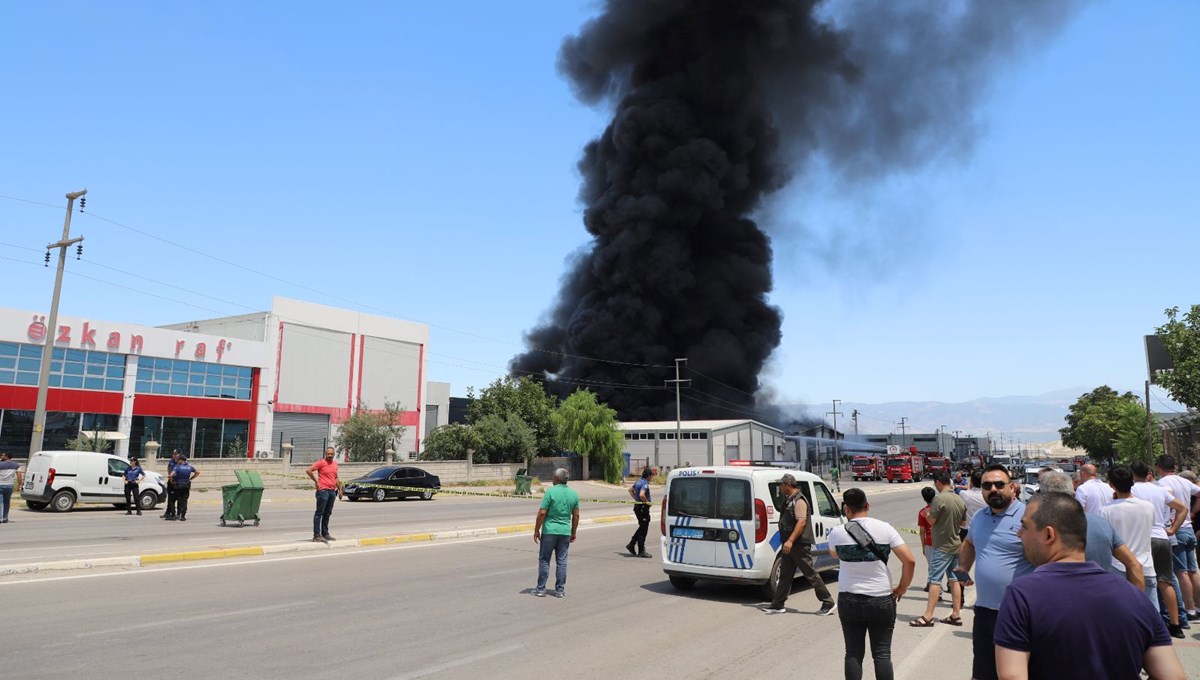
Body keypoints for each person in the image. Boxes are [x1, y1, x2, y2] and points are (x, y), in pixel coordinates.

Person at [994, 492, 1186, 680]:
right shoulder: (1134, 596)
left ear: (1048, 534)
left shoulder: (1022, 595)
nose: (1019, 534)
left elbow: (1012, 675)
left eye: (1025, 526)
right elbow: (1174, 676)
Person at [956, 464, 1034, 680]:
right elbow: (969, 543)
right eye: (987, 485)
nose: (993, 489)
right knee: (982, 672)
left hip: (1019, 612)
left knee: (1016, 675)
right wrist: (963, 568)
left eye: (999, 484)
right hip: (985, 611)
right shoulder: (980, 516)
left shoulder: (1028, 517)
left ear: (1011, 487)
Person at [828, 488, 916, 680]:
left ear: (846, 509)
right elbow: (909, 561)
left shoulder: (836, 532)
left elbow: (834, 555)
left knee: (853, 653)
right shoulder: (885, 528)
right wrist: (902, 587)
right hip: (881, 599)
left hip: (849, 598)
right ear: (867, 505)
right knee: (882, 654)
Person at [1039, 469, 1143, 588]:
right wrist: (1135, 602)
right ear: (1073, 493)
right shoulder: (1101, 523)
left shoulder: (1037, 527)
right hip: (1103, 597)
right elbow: (1133, 564)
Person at [762, 473, 836, 616]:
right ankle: (778, 604)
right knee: (785, 575)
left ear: (788, 485)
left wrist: (790, 541)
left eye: (782, 484)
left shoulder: (799, 501)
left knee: (811, 574)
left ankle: (828, 602)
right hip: (789, 544)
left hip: (798, 544)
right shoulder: (789, 499)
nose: (780, 487)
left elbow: (801, 522)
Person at [1130, 460, 1188, 636]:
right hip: (1162, 537)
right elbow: (1182, 508)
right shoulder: (1159, 489)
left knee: (1140, 580)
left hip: (1142, 538)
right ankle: (1176, 624)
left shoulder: (1131, 490)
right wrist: (1172, 530)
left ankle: (1143, 622)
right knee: (1166, 582)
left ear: (1132, 474)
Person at [911, 471, 965, 627]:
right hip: (956, 544)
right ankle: (956, 614)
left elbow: (932, 521)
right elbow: (962, 523)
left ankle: (928, 616)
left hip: (941, 546)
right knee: (954, 580)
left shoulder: (939, 499)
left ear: (938, 482)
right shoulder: (959, 499)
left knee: (935, 580)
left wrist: (928, 514)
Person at [1156, 455, 1200, 622]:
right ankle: (1197, 606)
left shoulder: (1163, 484)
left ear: (1159, 467)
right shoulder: (1184, 481)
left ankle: (1189, 610)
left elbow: (1167, 499)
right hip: (1188, 528)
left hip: (1177, 529)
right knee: (1193, 570)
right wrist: (1192, 510)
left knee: (1180, 573)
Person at [533, 467, 580, 598]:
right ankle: (559, 590)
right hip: (565, 532)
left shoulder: (550, 492)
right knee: (562, 561)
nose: (553, 478)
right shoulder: (574, 494)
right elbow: (576, 516)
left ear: (557, 479)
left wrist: (536, 530)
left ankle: (541, 589)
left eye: (554, 476)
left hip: (549, 531)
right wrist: (573, 532)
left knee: (544, 560)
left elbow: (542, 513)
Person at [306, 447, 344, 542]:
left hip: (332, 491)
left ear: (334, 454)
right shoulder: (321, 463)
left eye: (331, 454)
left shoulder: (335, 464)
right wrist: (316, 481)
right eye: (328, 454)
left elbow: (335, 477)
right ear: (325, 454)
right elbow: (308, 470)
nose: (330, 455)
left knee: (328, 513)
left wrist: (340, 489)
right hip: (323, 490)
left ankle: (325, 533)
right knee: (319, 513)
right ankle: (316, 535)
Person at [625, 467, 653, 558]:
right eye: (651, 476)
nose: (651, 478)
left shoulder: (638, 481)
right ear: (648, 476)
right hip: (643, 508)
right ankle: (641, 551)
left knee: (642, 527)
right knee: (643, 529)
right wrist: (647, 502)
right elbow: (641, 494)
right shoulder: (644, 483)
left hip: (638, 507)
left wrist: (636, 500)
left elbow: (630, 490)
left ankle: (631, 544)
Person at [960, 468, 987, 541]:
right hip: (982, 530)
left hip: (966, 530)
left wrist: (970, 485)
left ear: (971, 481)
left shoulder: (963, 494)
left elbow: (967, 489)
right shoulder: (986, 496)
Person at [169, 455, 198, 522]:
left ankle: (173, 515)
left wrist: (171, 481)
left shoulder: (177, 467)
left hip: (178, 485)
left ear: (181, 460)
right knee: (184, 501)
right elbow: (197, 472)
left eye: (178, 459)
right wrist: (191, 479)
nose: (177, 460)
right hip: (186, 485)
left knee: (172, 500)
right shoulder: (189, 466)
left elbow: (171, 475)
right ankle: (183, 516)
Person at [917, 486, 936, 589]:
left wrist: (923, 545)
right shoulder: (939, 509)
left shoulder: (922, 512)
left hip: (929, 541)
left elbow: (922, 531)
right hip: (942, 541)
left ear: (924, 498)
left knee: (932, 566)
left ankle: (934, 587)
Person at [0, 452, 24, 523]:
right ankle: (5, 518)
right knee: (7, 502)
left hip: (0, 485)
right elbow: (19, 475)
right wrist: (19, 484)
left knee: (0, 502)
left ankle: (0, 518)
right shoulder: (16, 465)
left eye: (2, 455)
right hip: (9, 486)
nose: (1, 456)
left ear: (7, 456)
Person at [161, 449, 181, 520]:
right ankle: (168, 513)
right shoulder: (171, 461)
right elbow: (169, 467)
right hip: (171, 481)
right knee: (170, 498)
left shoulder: (181, 461)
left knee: (178, 499)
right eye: (173, 454)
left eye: (176, 454)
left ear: (179, 454)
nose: (174, 455)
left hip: (177, 482)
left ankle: (178, 514)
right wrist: (169, 475)